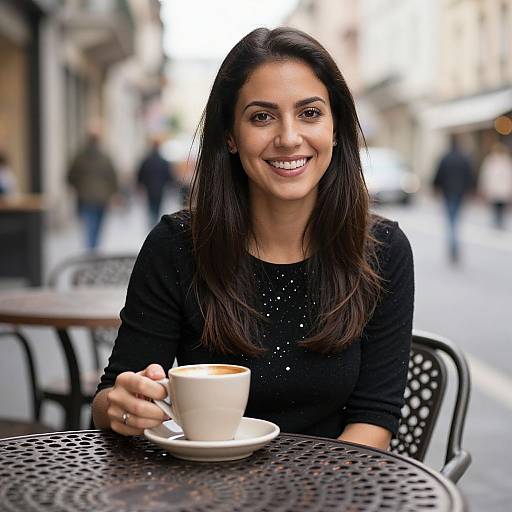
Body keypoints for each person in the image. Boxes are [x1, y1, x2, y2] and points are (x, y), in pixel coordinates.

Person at [92, 27, 414, 451]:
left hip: (334, 486)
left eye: (310, 113)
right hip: (202, 483)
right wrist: (124, 406)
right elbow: (108, 401)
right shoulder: (176, 245)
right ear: (230, 135)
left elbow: (375, 421)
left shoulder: (382, 249)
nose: (288, 137)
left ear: (335, 128)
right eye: (262, 117)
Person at [67, 131, 119, 250]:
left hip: (86, 197)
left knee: (90, 224)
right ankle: (94, 247)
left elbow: (70, 176)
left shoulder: (79, 157)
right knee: (97, 225)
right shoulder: (105, 157)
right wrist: (114, 192)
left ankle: (91, 248)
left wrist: (77, 187)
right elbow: (113, 177)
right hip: (102, 197)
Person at [433, 136, 473, 263]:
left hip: (448, 192)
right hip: (460, 193)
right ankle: (454, 247)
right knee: (455, 220)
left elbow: (438, 175)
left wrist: (435, 188)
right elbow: (469, 175)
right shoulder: (464, 158)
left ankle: (453, 247)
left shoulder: (445, 158)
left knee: (451, 221)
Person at [137, 138, 175, 228]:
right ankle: (154, 222)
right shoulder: (163, 161)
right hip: (160, 188)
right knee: (157, 206)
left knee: (151, 205)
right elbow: (169, 176)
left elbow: (141, 173)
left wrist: (140, 184)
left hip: (149, 188)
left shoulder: (147, 160)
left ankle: (152, 221)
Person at [478, 143, 512, 229]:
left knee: (499, 206)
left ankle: (498, 221)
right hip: (498, 188)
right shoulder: (493, 160)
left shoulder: (504, 161)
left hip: (498, 188)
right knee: (498, 206)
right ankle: (498, 221)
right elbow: (485, 175)